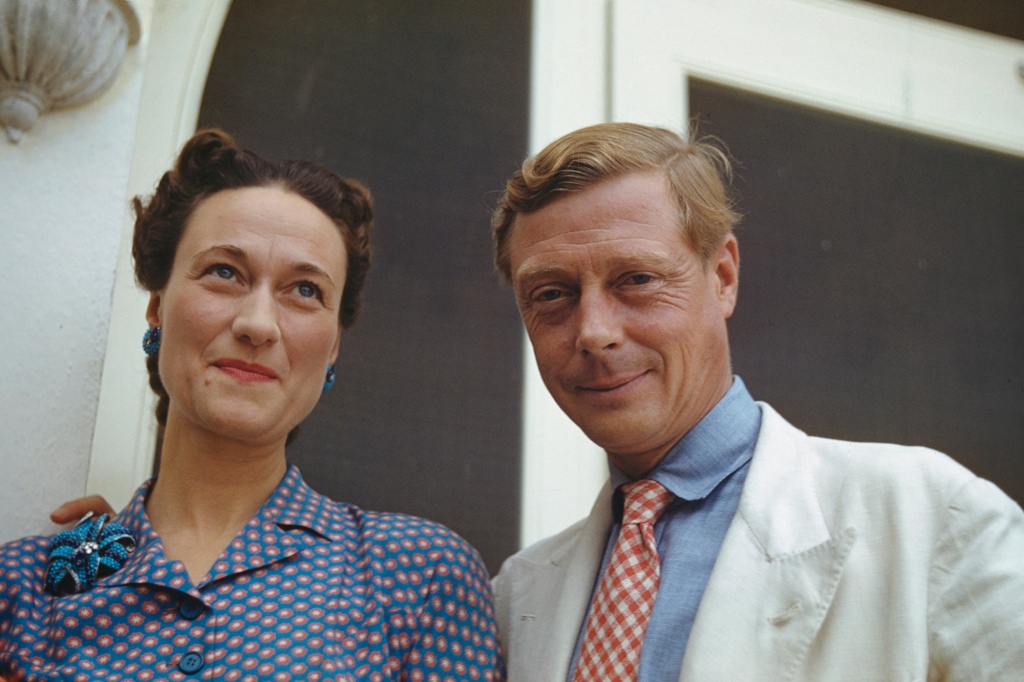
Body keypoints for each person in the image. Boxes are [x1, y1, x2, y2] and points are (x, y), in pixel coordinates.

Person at [489, 122, 1024, 681]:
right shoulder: (515, 595)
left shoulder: (929, 514)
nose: (594, 331)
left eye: (638, 278)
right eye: (551, 294)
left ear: (722, 277)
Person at [0, 129, 503, 681]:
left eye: (305, 290)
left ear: (333, 345)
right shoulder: (24, 587)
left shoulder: (419, 576)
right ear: (157, 309)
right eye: (224, 272)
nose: (258, 324)